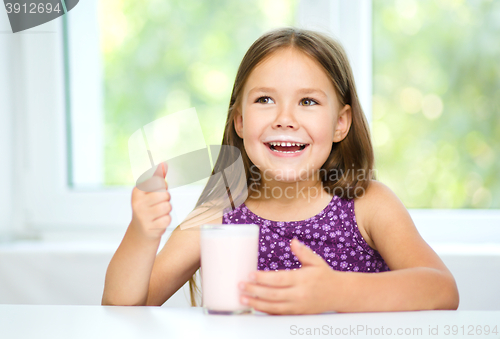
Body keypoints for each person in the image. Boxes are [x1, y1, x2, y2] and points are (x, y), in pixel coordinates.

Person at [102, 27, 459, 314]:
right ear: (239, 121)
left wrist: (339, 292)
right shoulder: (220, 209)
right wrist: (142, 233)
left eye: (308, 101)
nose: (284, 119)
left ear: (341, 123)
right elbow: (123, 307)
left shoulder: (367, 204)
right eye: (265, 100)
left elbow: (442, 290)